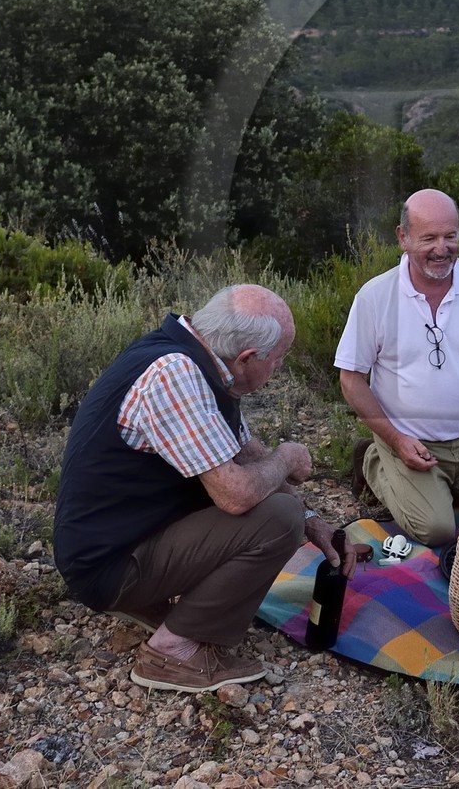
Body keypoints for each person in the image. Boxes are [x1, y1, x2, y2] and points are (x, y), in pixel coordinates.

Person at [54, 284, 355, 693]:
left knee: (288, 512)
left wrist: (312, 519)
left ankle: (153, 601)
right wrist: (286, 460)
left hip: (116, 542)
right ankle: (172, 650)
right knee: (277, 521)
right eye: (279, 360)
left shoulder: (193, 355)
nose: (279, 369)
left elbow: (244, 455)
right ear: (248, 358)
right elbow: (237, 494)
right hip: (108, 567)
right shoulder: (176, 374)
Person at [335, 188, 459, 546]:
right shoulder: (375, 298)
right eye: (429, 238)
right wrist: (395, 439)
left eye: (450, 236)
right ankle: (374, 459)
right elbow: (351, 379)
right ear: (403, 237)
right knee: (436, 530)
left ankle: (445, 482)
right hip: (410, 439)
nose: (442, 248)